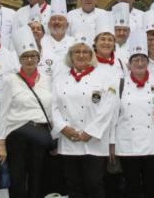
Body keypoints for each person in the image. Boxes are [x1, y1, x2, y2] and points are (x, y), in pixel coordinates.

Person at [51, 33, 121, 198]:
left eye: (85, 52)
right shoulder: (59, 79)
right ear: (70, 56)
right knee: (73, 185)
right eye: (77, 52)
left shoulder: (105, 76)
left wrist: (90, 132)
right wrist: (63, 128)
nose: (81, 55)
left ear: (92, 55)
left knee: (93, 184)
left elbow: (109, 107)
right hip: (69, 141)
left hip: (94, 141)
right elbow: (53, 107)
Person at [112, 30, 154, 198]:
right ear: (129, 63)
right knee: (131, 187)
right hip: (127, 144)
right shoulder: (120, 84)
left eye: (143, 60)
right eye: (135, 60)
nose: (139, 63)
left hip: (153, 143)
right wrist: (112, 143)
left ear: (147, 62)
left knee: (152, 185)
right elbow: (114, 118)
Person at [0, 25, 54, 198]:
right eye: (25, 57)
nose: (29, 60)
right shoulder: (10, 80)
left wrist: (54, 138)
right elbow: (3, 113)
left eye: (33, 56)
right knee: (18, 179)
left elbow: (52, 110)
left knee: (38, 179)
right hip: (17, 135)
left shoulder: (47, 79)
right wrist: (1, 145)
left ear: (39, 57)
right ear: (20, 59)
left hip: (41, 134)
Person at [41, 0, 75, 70]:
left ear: (67, 25)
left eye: (60, 19)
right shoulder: (41, 42)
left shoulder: (74, 43)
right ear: (49, 25)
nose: (56, 22)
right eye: (53, 19)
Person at [93, 12, 124, 79]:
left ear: (114, 43)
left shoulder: (120, 63)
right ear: (95, 42)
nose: (106, 43)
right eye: (103, 39)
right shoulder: (87, 62)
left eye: (110, 40)